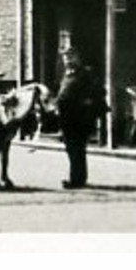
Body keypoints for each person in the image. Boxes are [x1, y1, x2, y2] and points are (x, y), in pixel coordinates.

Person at [54, 45, 107, 188]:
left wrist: (86, 102)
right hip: (66, 118)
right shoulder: (66, 75)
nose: (68, 60)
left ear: (78, 58)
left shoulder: (86, 73)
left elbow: (99, 91)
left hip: (79, 117)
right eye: (65, 58)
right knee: (71, 149)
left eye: (71, 57)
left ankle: (77, 180)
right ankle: (76, 178)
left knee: (77, 148)